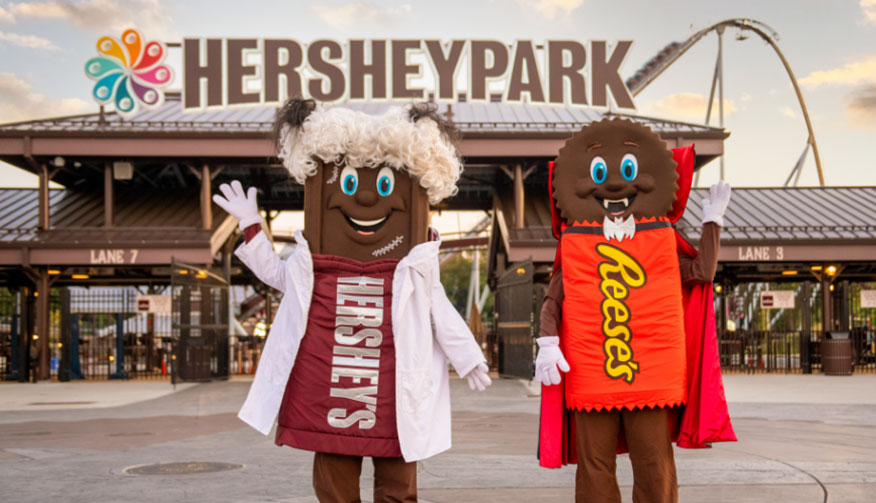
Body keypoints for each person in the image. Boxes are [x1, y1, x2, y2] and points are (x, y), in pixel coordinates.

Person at [215, 99, 491, 503]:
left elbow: (439, 310)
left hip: (393, 392)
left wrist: (468, 357)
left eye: (382, 184)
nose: (364, 198)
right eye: (348, 183)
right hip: (332, 392)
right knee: (334, 485)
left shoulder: (413, 265)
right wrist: (252, 226)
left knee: (398, 485)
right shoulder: (312, 263)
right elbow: (276, 275)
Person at [534, 118, 736, 503]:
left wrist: (713, 221)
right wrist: (548, 341)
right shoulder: (576, 244)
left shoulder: (660, 243)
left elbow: (701, 272)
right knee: (595, 463)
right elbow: (553, 300)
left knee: (653, 460)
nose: (613, 186)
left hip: (652, 373)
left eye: (627, 170)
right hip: (591, 372)